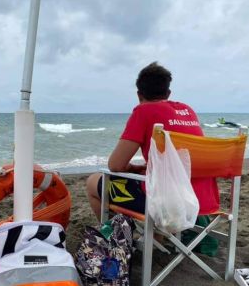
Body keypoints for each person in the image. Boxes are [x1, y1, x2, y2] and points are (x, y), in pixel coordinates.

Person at [86, 62, 219, 221]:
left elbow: (115, 165)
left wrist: (134, 169)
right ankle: (158, 236)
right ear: (168, 93)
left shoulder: (143, 111)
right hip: (200, 199)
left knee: (93, 181)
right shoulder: (187, 110)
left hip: (163, 203)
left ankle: (116, 237)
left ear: (139, 95)